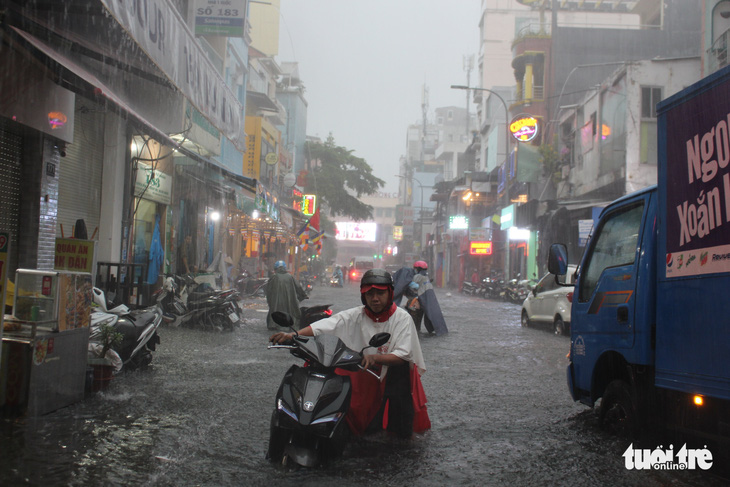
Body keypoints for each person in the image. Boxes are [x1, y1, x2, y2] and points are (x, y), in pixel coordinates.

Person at [269, 269, 430, 438]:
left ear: (390, 293)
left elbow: (403, 354)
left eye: (380, 293)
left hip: (395, 377)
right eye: (370, 294)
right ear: (363, 296)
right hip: (365, 373)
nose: (375, 298)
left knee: (396, 431)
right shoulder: (355, 315)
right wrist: (293, 335)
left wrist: (375, 357)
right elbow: (326, 325)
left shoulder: (402, 318)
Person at [265, 261, 308, 331]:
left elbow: (268, 291)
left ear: (275, 269)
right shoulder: (290, 276)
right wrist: (303, 295)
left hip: (276, 301)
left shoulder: (274, 277)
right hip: (289, 300)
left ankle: (274, 324)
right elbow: (298, 287)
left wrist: (270, 301)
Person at [410, 261, 448, 336]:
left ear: (417, 269)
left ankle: (416, 331)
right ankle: (438, 329)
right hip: (429, 299)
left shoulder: (418, 276)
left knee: (416, 317)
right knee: (432, 313)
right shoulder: (426, 277)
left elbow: (413, 287)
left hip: (421, 299)